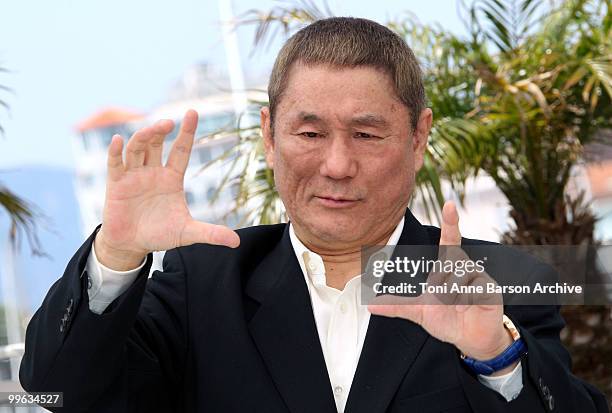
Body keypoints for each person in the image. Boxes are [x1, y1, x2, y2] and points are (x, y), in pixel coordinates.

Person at [20, 17, 608, 413]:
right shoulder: (205, 280)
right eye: (309, 132)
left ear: (418, 136)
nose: (337, 164)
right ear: (269, 137)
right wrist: (116, 257)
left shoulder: (498, 277)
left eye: (367, 134)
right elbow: (57, 394)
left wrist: (495, 359)